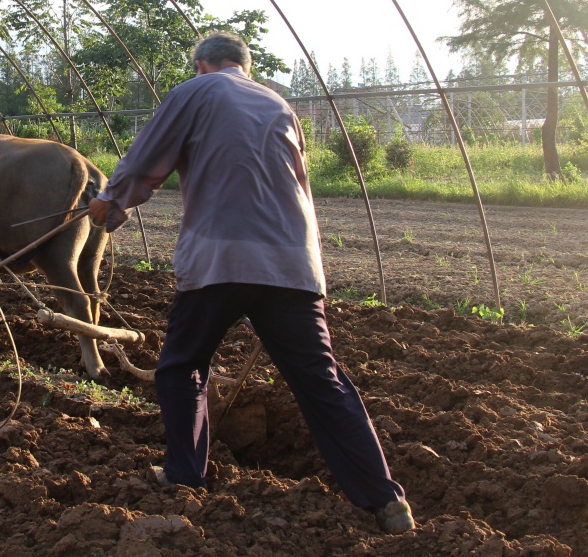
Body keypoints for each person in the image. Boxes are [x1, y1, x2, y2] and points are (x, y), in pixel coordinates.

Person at [87, 32, 415, 535]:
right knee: (321, 381)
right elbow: (298, 183)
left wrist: (111, 200)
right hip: (292, 263)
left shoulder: (195, 91)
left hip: (221, 255)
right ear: (247, 65)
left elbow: (147, 158)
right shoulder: (278, 102)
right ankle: (385, 500)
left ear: (202, 65)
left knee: (180, 366)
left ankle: (184, 476)